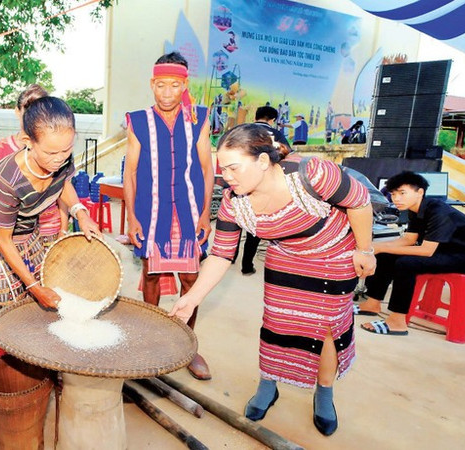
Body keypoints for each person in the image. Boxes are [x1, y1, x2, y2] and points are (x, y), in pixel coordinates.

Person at [170, 123, 375, 436]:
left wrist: (365, 250)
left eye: (234, 167)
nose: (226, 176)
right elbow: (221, 255)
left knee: (328, 328)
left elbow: (360, 202)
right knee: (278, 323)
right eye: (222, 168)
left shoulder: (314, 174)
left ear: (263, 161)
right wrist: (192, 298)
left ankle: (324, 393)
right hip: (286, 257)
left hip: (333, 256)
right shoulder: (233, 202)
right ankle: (268, 385)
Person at [0, 96, 101, 359]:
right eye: (51, 153)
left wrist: (80, 211)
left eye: (66, 150)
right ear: (28, 143)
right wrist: (32, 287)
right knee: (9, 299)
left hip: (27, 228)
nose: (60, 158)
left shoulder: (61, 155)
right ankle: (8, 359)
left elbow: (63, 183)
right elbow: (4, 241)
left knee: (45, 283)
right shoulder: (7, 178)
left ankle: (36, 354)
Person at [123, 52, 214, 380]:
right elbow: (130, 173)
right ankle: (151, 339)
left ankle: (187, 346)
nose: (166, 92)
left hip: (189, 215)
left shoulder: (199, 119)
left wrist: (205, 214)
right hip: (152, 214)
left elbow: (207, 167)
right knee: (150, 275)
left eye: (174, 85)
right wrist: (132, 217)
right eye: (160, 85)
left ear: (183, 86)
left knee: (190, 280)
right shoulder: (137, 120)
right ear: (152, 85)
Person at [356, 171, 465, 335]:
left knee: (406, 264)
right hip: (445, 251)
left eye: (402, 193)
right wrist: (374, 246)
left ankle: (397, 321)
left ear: (420, 192)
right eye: (393, 194)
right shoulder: (415, 210)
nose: (396, 198)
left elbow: (426, 251)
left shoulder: (439, 211)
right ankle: (372, 303)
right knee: (386, 255)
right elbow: (408, 240)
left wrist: (380, 247)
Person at [0, 84, 65, 248]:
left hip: (49, 228)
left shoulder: (56, 148)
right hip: (13, 233)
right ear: (17, 111)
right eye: (27, 111)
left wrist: (63, 227)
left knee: (48, 273)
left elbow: (63, 188)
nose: (32, 118)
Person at [236, 106, 291, 275]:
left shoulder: (242, 131)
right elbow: (286, 156)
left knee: (236, 220)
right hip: (261, 184)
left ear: (256, 116)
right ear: (272, 120)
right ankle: (246, 265)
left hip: (239, 181)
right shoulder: (276, 135)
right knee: (255, 226)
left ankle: (230, 256)